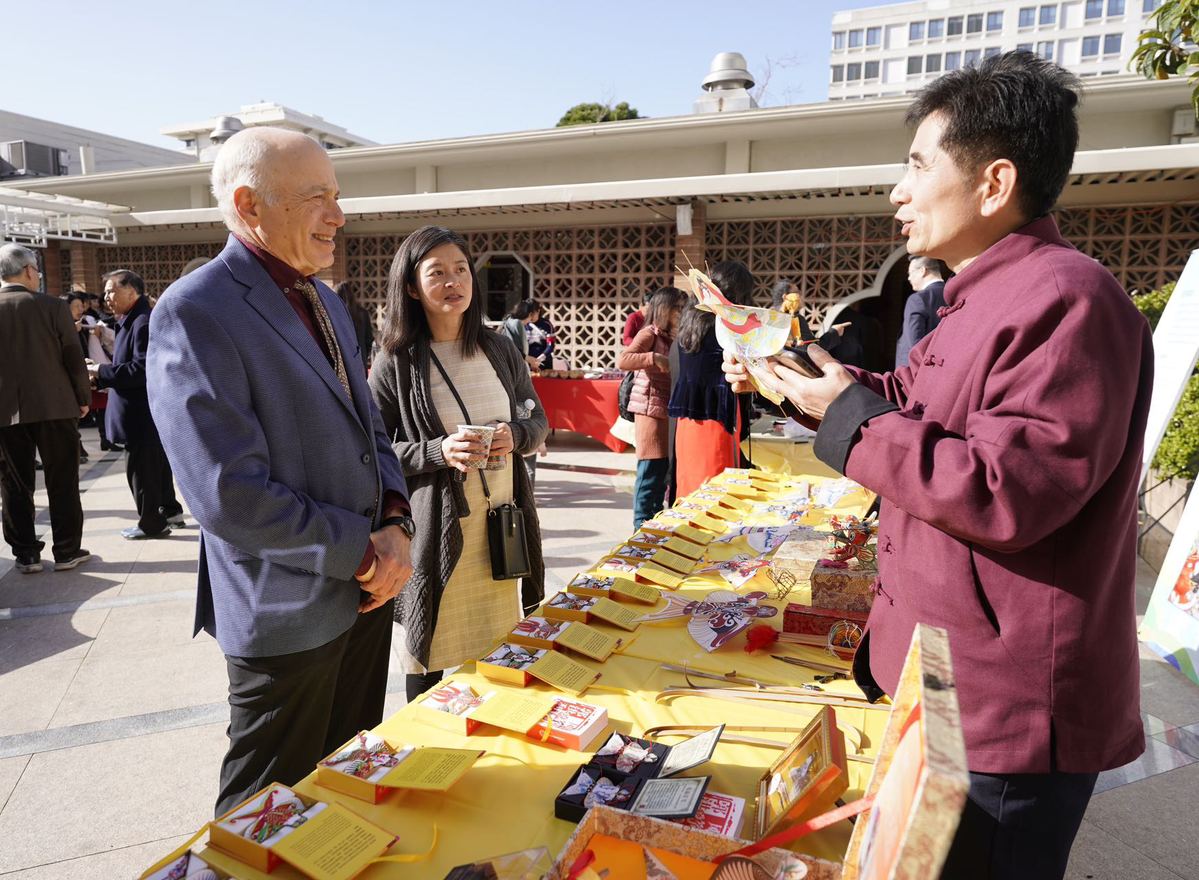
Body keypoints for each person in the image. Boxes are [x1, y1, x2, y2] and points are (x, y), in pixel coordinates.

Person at [724, 52, 1151, 880]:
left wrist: (845, 414)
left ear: (994, 184)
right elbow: (905, 402)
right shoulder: (977, 295)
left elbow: (1005, 491)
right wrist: (801, 380)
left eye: (917, 166)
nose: (897, 191)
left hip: (1004, 709)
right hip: (945, 680)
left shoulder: (1067, 300)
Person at [146, 127, 414, 816]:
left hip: (366, 596)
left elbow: (369, 426)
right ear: (249, 204)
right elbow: (227, 494)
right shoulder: (195, 308)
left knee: (343, 788)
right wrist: (364, 555)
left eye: (337, 196)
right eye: (317, 197)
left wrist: (394, 520)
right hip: (288, 609)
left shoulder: (324, 299)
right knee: (263, 814)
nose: (338, 215)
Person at [368, 225, 548, 703]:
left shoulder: (499, 348)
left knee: (498, 655)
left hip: (502, 525)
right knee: (429, 659)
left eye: (461, 269)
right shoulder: (396, 362)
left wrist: (516, 435)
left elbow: (538, 423)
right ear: (412, 287)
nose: (453, 282)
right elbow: (371, 451)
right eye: (437, 273)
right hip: (436, 533)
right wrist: (438, 451)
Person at [0, 244, 92, 573]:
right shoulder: (52, 306)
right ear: (28, 270)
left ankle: (26, 554)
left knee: (13, 483)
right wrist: (83, 397)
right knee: (62, 479)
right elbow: (73, 357)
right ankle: (67, 550)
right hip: (55, 405)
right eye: (36, 270)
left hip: (5, 412)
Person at [92, 270, 185, 540]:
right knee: (156, 466)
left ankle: (151, 523)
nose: (106, 298)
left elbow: (141, 369)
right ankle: (169, 511)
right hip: (142, 413)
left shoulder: (142, 322)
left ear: (132, 291)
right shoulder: (131, 319)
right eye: (106, 292)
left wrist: (100, 371)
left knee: (141, 470)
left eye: (111, 291)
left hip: (140, 413)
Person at [671, 265, 754, 498]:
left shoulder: (691, 316)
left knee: (690, 484)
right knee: (716, 488)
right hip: (717, 413)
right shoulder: (726, 323)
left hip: (688, 418)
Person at [618, 287, 687, 529]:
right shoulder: (649, 333)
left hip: (666, 411)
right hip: (649, 411)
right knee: (649, 473)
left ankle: (654, 528)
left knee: (661, 476)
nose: (681, 313)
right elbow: (624, 359)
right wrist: (653, 358)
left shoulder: (674, 337)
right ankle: (639, 530)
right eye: (678, 308)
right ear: (664, 309)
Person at [894, 256, 948, 369]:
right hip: (947, 367)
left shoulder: (918, 299)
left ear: (923, 270)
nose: (909, 278)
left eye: (911, 273)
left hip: (917, 371)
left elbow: (914, 345)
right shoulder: (954, 295)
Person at [335, 280, 376, 371]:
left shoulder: (334, 315)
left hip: (341, 362)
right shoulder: (363, 313)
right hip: (360, 360)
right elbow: (369, 339)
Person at [500, 300, 542, 372]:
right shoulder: (517, 323)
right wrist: (529, 359)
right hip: (515, 368)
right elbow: (513, 349)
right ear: (530, 314)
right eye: (537, 312)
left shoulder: (510, 321)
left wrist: (529, 361)